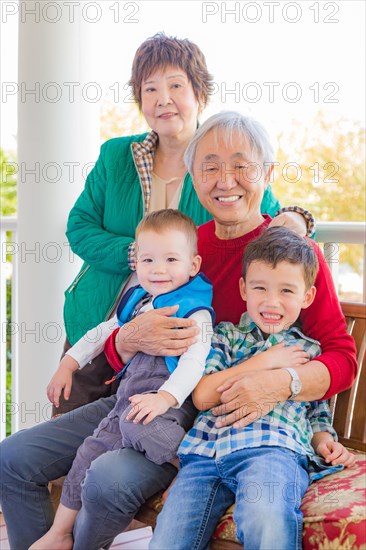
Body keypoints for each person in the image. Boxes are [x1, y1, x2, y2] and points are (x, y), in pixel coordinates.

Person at [0, 111, 355, 550]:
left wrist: (282, 382)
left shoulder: (289, 254)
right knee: (12, 458)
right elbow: (119, 340)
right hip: (135, 397)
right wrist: (127, 340)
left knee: (107, 477)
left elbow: (341, 357)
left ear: (267, 173)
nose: (226, 180)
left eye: (241, 166)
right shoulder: (182, 248)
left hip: (192, 421)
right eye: (209, 167)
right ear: (192, 175)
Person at [60, 32, 303, 413]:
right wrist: (140, 256)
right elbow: (79, 226)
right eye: (150, 88)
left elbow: (267, 216)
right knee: (68, 430)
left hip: (177, 331)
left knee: (134, 428)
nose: (163, 99)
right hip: (104, 316)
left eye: (176, 85)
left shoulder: (214, 161)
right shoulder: (115, 156)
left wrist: (300, 218)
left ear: (198, 92)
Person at [149, 226, 355, 550]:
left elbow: (317, 410)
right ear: (244, 289)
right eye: (261, 288)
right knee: (169, 539)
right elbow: (203, 395)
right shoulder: (225, 337)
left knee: (267, 518)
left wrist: (325, 441)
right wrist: (268, 360)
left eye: (287, 291)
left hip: (272, 451)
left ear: (308, 296)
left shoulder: (308, 351)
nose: (272, 302)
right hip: (205, 456)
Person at [29, 209, 214, 550]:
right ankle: (59, 532)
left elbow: (194, 362)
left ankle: (186, 461)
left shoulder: (194, 310)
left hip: (167, 407)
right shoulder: (137, 301)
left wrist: (165, 398)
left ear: (193, 265)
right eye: (148, 260)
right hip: (127, 402)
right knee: (88, 453)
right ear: (136, 264)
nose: (158, 269)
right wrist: (68, 364)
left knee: (138, 426)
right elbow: (102, 332)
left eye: (171, 259)